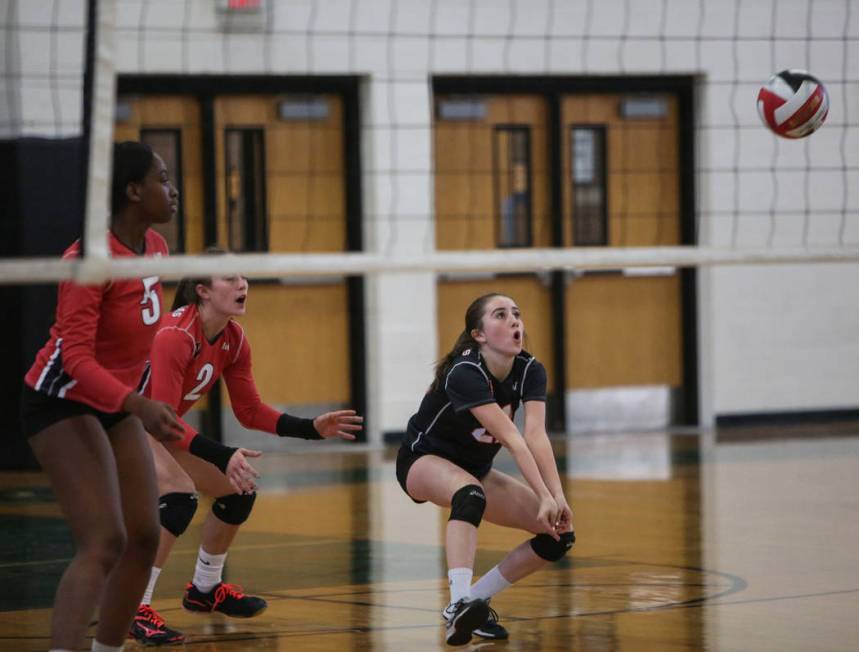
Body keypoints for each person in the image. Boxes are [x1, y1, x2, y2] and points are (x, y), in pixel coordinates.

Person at [129, 264, 364, 645]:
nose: (243, 285)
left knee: (237, 491)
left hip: (158, 430)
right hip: (121, 428)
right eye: (231, 279)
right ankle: (134, 605)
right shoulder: (175, 334)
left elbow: (249, 410)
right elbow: (164, 421)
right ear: (203, 290)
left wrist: (309, 428)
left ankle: (205, 589)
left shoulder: (233, 338)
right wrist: (223, 455)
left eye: (245, 278)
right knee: (179, 497)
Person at [20, 141, 184, 652]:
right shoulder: (89, 260)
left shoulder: (155, 247)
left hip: (117, 402)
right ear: (133, 191)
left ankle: (107, 648)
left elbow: (137, 338)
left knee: (144, 535)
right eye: (161, 178)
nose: (172, 188)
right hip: (60, 401)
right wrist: (138, 404)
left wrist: (142, 396)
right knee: (104, 539)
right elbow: (76, 362)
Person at [396, 293, 575, 646]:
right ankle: (459, 600)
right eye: (501, 314)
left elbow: (536, 436)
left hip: (475, 469)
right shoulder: (465, 371)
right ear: (478, 334)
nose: (514, 321)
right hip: (421, 462)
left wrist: (558, 498)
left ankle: (471, 604)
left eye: (517, 314)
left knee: (559, 535)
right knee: (469, 495)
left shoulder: (530, 370)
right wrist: (542, 494)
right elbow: (512, 438)